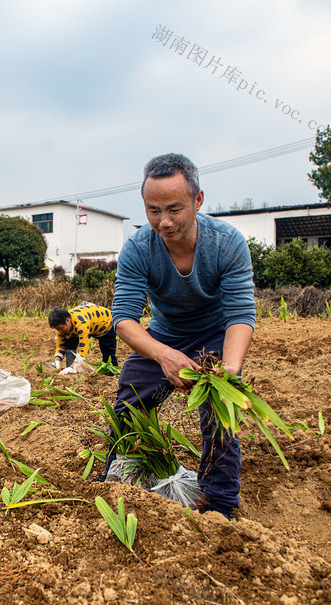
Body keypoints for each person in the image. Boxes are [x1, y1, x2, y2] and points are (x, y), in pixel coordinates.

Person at [104, 153, 256, 520]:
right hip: (164, 335)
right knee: (129, 406)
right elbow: (124, 319)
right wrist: (163, 355)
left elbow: (240, 314)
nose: (164, 221)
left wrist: (230, 371)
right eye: (153, 210)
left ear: (198, 200)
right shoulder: (139, 247)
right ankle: (116, 482)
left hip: (215, 335)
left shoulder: (227, 243)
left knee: (221, 417)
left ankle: (221, 505)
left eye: (174, 209)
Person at [48, 304, 117, 368]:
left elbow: (84, 348)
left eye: (61, 328)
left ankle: (111, 371)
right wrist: (56, 361)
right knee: (69, 344)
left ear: (67, 320)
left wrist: (77, 362)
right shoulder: (62, 327)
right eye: (57, 329)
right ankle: (71, 368)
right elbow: (60, 346)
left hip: (105, 324)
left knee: (108, 352)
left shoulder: (81, 324)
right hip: (88, 324)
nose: (59, 331)